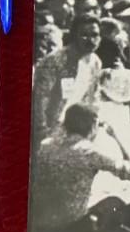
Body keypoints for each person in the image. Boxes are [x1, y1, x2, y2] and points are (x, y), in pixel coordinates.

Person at [30, 103, 130, 232]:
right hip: (72, 224)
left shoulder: (45, 147)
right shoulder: (88, 151)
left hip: (41, 228)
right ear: (92, 125)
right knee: (115, 204)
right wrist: (116, 137)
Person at [31, 14, 103, 147]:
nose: (91, 40)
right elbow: (40, 98)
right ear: (74, 36)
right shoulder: (55, 61)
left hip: (77, 129)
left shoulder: (95, 62)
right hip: (50, 128)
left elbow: (93, 97)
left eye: (95, 35)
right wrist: (42, 130)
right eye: (84, 35)